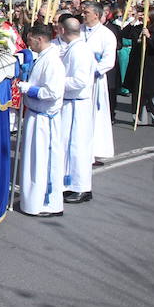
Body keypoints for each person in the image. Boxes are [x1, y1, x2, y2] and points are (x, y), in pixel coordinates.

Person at [19, 23, 65, 217]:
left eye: (30, 40)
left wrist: (29, 89)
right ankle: (32, 200)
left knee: (43, 162)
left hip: (45, 119)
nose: (29, 44)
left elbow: (53, 92)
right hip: (36, 116)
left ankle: (46, 203)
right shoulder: (43, 57)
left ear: (39, 39)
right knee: (33, 161)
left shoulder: (52, 61)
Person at [57, 16, 96, 205]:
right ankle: (70, 183)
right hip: (72, 103)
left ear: (63, 31)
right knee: (68, 146)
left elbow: (79, 80)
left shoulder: (79, 51)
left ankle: (81, 187)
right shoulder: (76, 49)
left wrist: (56, 82)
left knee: (77, 147)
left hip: (77, 103)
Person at [80, 2, 117, 160]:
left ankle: (95, 150)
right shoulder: (78, 31)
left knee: (95, 115)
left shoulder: (106, 34)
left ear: (96, 15)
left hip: (95, 81)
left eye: (86, 12)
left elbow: (109, 61)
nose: (83, 15)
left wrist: (93, 71)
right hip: (77, 79)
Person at [123, 8, 154, 128]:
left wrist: (149, 37)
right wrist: (134, 21)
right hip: (137, 64)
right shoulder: (138, 28)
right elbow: (124, 34)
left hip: (152, 65)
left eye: (144, 14)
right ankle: (139, 118)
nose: (142, 16)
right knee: (138, 92)